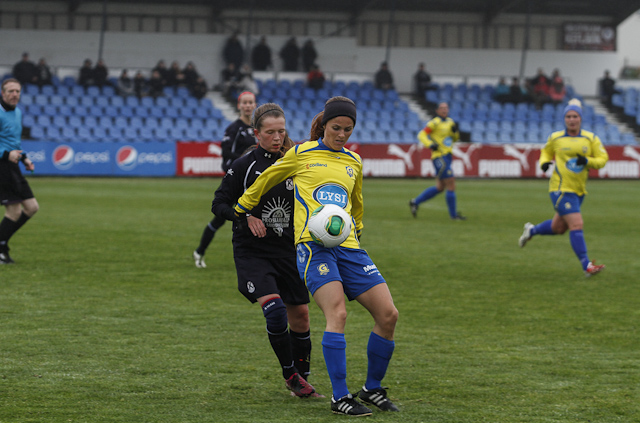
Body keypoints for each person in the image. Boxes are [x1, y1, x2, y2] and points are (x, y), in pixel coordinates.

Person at [234, 96, 400, 416]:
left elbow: (357, 202)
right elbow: (267, 178)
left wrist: (358, 230)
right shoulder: (301, 154)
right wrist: (243, 206)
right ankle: (341, 397)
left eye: (348, 130)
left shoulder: (353, 161)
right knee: (337, 314)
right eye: (336, 128)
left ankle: (372, 388)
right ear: (324, 125)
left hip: (349, 248)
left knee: (388, 315)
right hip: (313, 246)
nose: (341, 134)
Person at [211, 102, 320, 398]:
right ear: (256, 133)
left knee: (301, 317)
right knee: (274, 312)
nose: (276, 137)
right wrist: (245, 216)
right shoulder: (244, 166)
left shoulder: (295, 162)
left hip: (287, 250)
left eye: (280, 131)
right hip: (253, 251)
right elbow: (218, 203)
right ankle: (291, 377)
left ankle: (304, 378)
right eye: (270, 132)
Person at [518, 101, 609, 277]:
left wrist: (587, 161)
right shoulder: (556, 138)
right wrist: (544, 162)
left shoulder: (590, 139)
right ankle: (586, 266)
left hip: (578, 191)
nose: (572, 119)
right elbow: (545, 152)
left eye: (575, 116)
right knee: (577, 223)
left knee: (558, 228)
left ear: (580, 118)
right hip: (560, 189)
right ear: (564, 119)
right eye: (568, 116)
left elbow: (603, 159)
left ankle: (532, 230)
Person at [193, 91, 257, 268]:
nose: (247, 105)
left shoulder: (257, 129)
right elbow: (226, 152)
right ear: (239, 105)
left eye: (250, 102)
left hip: (252, 182)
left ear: (254, 105)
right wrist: (243, 162)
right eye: (244, 102)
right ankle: (199, 251)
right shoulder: (234, 128)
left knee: (257, 217)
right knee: (221, 218)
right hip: (235, 180)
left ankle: (257, 259)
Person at [0, 79, 39, 264]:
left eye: (17, 91)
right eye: (10, 91)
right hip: (1, 166)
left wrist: (25, 158)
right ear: (3, 93)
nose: (15, 94)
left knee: (31, 208)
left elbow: (14, 143)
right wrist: (6, 154)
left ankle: (2, 243)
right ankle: (1, 249)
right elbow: (6, 148)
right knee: (14, 211)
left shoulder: (17, 113)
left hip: (13, 165)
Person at [409, 102, 466, 220]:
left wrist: (455, 132)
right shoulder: (434, 123)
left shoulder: (450, 122)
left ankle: (415, 202)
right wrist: (430, 144)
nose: (444, 109)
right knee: (451, 183)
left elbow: (453, 139)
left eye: (446, 107)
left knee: (440, 187)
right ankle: (453, 215)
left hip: (448, 156)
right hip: (440, 156)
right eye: (442, 108)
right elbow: (422, 135)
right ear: (437, 110)